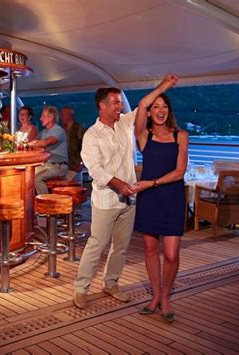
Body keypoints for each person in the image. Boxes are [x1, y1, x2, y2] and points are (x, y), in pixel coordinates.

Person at [73, 88, 137, 309]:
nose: (121, 107)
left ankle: (111, 283)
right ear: (102, 105)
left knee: (121, 246)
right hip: (106, 200)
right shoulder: (92, 135)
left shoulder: (124, 124)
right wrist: (121, 185)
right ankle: (81, 288)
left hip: (129, 200)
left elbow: (143, 110)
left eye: (121, 103)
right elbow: (97, 171)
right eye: (116, 103)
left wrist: (163, 87)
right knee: (96, 244)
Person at [134, 74, 188, 324]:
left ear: (169, 111)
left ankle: (166, 296)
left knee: (172, 254)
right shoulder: (144, 136)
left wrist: (152, 182)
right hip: (150, 199)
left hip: (172, 197)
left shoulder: (181, 136)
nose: (160, 110)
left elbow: (180, 172)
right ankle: (156, 296)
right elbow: (142, 105)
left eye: (164, 106)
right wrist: (163, 87)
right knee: (149, 249)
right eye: (156, 106)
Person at [29, 106, 68, 195]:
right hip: (47, 165)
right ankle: (31, 203)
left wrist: (29, 144)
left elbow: (45, 143)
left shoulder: (58, 130)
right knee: (27, 174)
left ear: (50, 117)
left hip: (58, 166)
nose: (40, 118)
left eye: (43, 116)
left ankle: (46, 203)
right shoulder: (43, 132)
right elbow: (35, 141)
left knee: (36, 178)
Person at [61, 107, 85, 182]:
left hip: (76, 166)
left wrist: (81, 163)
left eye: (63, 115)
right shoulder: (62, 129)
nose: (61, 117)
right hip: (66, 166)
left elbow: (84, 146)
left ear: (69, 115)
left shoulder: (77, 128)